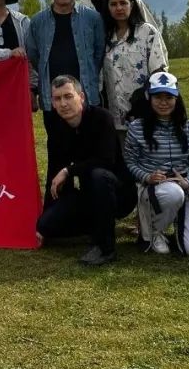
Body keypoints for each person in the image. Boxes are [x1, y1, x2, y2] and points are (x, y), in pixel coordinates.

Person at [36, 76, 138, 266]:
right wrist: (44, 221)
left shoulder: (102, 118)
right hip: (89, 195)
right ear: (53, 103)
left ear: (81, 97)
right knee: (46, 225)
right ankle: (94, 226)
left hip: (119, 193)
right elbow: (54, 175)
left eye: (68, 96)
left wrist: (69, 170)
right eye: (57, 99)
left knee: (98, 175)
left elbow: (106, 161)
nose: (63, 104)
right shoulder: (57, 130)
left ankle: (105, 247)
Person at [123, 71, 189, 255]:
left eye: (169, 97)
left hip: (186, 186)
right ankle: (154, 231)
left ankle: (177, 226)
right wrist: (147, 177)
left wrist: (188, 181)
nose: (163, 102)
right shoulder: (137, 127)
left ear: (177, 98)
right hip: (155, 186)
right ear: (149, 98)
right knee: (173, 194)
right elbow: (130, 162)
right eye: (158, 97)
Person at [25, 0, 106, 120]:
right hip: (52, 98)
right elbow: (34, 56)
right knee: (56, 135)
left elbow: (99, 53)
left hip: (86, 95)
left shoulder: (93, 18)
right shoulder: (37, 21)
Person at [103, 0, 169, 146]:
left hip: (144, 108)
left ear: (131, 5)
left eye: (123, 3)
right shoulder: (106, 36)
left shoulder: (147, 32)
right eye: (113, 4)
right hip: (115, 112)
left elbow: (159, 69)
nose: (119, 8)